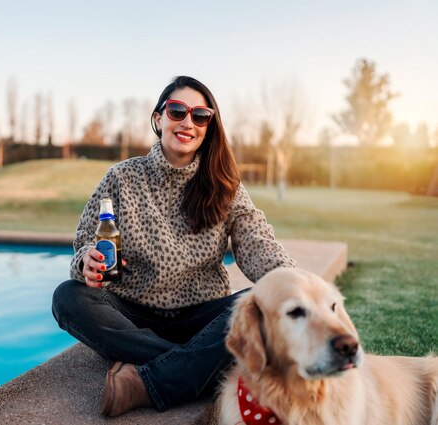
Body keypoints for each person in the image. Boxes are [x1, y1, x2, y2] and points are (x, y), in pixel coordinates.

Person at [52, 75, 296, 417]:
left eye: (200, 115)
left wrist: (296, 284)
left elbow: (257, 242)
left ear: (209, 126)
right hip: (132, 313)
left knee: (257, 303)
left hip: (201, 314)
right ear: (159, 118)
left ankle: (146, 378)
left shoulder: (224, 185)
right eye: (177, 111)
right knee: (67, 298)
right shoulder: (121, 178)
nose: (187, 122)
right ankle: (199, 363)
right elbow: (86, 243)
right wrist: (86, 263)